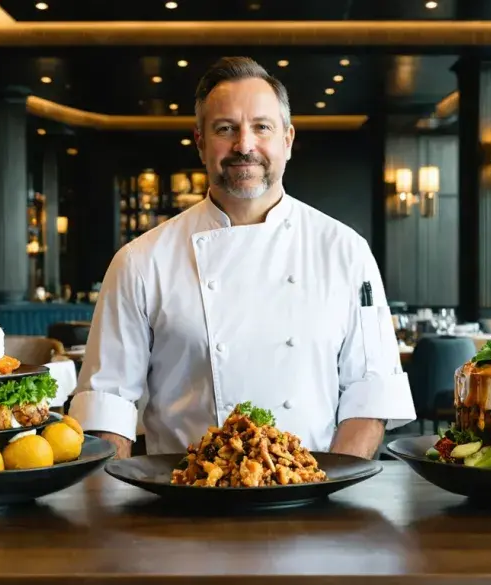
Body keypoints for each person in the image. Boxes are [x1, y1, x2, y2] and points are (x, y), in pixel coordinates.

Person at [68, 56, 414, 460]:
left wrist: (327, 491)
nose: (244, 145)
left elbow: (370, 394)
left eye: (261, 127)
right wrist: (112, 509)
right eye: (225, 129)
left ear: (287, 139)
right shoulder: (140, 261)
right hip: (182, 502)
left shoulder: (345, 250)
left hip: (312, 501)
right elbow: (107, 405)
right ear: (200, 142)